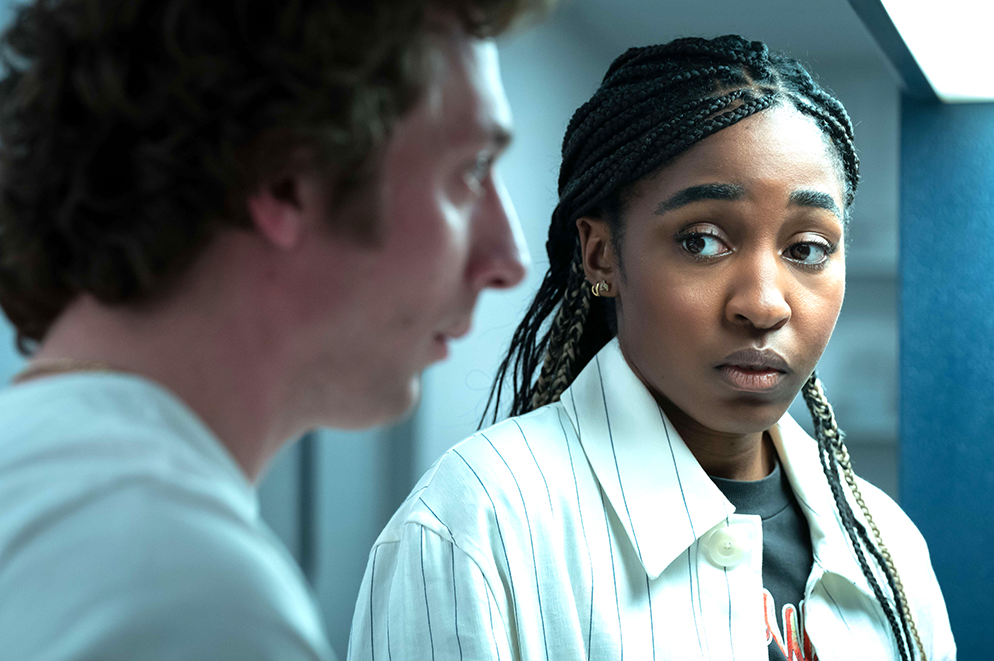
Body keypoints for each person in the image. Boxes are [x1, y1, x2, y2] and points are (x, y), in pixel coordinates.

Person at [349, 36, 956, 660]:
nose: (765, 304)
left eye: (807, 249)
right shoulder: (473, 526)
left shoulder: (888, 549)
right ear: (600, 253)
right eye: (702, 241)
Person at [0, 0, 551, 658]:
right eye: (472, 171)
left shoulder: (30, 489)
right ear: (286, 180)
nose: (511, 260)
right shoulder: (194, 599)